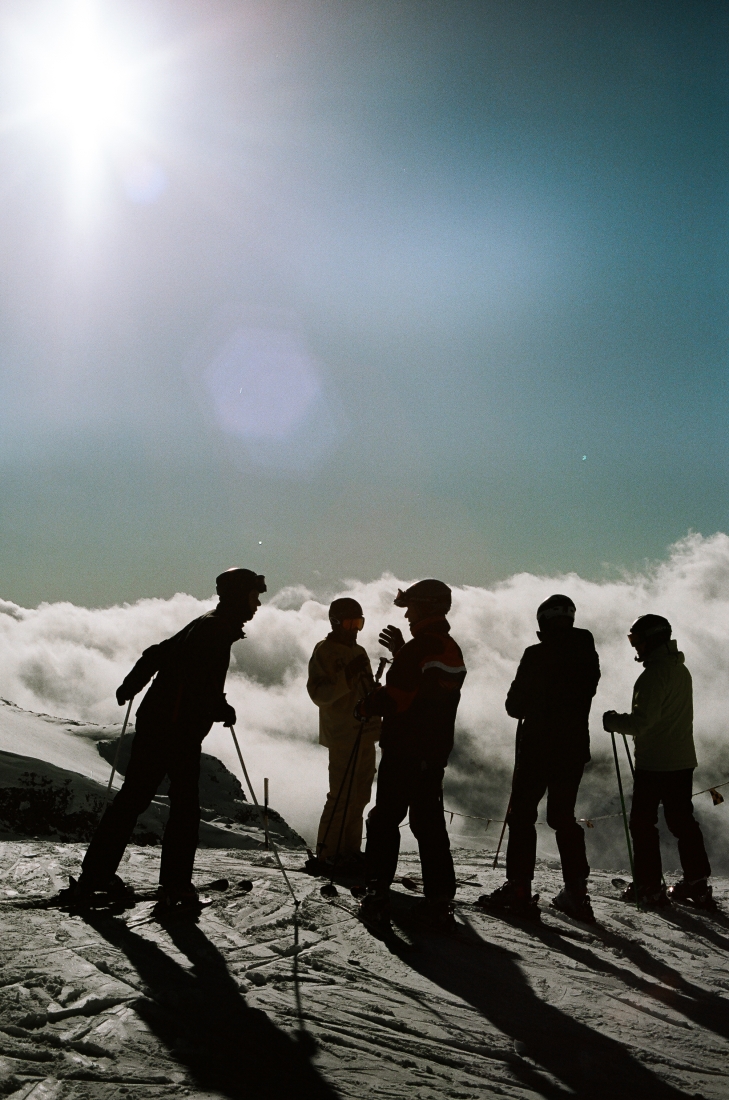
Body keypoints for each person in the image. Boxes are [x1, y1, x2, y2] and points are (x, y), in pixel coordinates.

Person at [64, 567, 266, 911]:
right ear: (238, 596)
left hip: (159, 723)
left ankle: (96, 874)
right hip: (176, 729)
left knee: (132, 799)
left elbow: (158, 653)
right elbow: (202, 684)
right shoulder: (215, 629)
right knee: (184, 808)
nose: (257, 604)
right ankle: (176, 886)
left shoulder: (207, 623)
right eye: (254, 596)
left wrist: (131, 685)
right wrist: (220, 707)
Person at [479, 594, 601, 922]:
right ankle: (576, 892)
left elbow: (514, 707)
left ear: (543, 621)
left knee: (522, 817)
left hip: (537, 748)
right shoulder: (587, 656)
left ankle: (518, 890)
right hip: (573, 749)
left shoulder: (536, 654)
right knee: (563, 817)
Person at [355, 579, 467, 930]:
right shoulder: (448, 647)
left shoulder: (417, 650)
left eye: (412, 607)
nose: (406, 614)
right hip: (433, 752)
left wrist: (368, 704)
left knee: (385, 819)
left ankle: (377, 893)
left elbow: (398, 698)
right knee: (427, 822)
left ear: (427, 608)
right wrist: (405, 652)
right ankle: (439, 897)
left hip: (404, 748)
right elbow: (429, 690)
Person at [602, 614, 714, 910]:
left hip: (655, 763)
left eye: (637, 641)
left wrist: (612, 721)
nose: (635, 647)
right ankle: (697, 882)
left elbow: (642, 723)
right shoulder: (680, 670)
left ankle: (649, 885)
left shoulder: (653, 675)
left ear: (651, 640)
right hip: (682, 759)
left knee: (642, 823)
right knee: (682, 821)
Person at [306, 598, 380, 873]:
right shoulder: (324, 651)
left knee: (360, 795)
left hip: (366, 731)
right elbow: (319, 694)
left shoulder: (359, 651)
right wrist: (345, 679)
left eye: (359, 623)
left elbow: (366, 687)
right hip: (342, 733)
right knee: (340, 795)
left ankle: (349, 851)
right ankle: (327, 854)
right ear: (336, 622)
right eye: (351, 623)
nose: (356, 629)